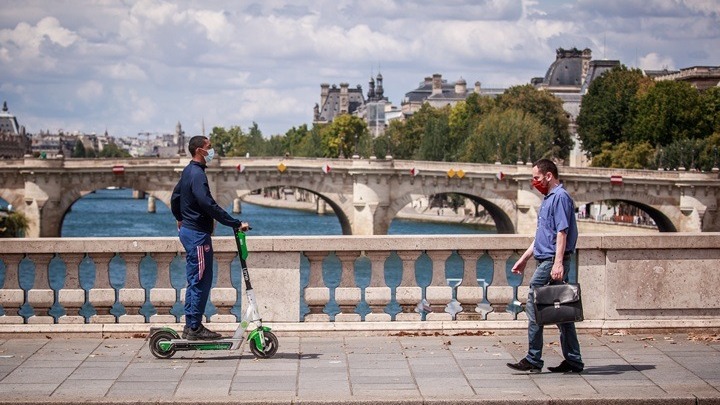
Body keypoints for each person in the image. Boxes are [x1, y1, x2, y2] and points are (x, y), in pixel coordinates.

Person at [506, 159, 584, 373]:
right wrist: (524, 259)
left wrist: (558, 263)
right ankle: (574, 361)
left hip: (551, 261)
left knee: (534, 305)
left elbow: (562, 232)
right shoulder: (549, 198)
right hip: (548, 259)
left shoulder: (559, 198)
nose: (534, 182)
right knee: (563, 311)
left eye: (537, 178)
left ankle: (533, 359)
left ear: (548, 176)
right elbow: (543, 236)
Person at [171, 135, 249, 341]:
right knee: (201, 280)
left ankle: (191, 325)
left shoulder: (188, 171)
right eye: (209, 147)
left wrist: (180, 217)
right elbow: (208, 203)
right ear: (199, 150)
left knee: (195, 279)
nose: (212, 151)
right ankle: (195, 327)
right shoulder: (197, 174)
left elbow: (175, 197)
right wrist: (234, 222)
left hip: (189, 231)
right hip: (197, 235)